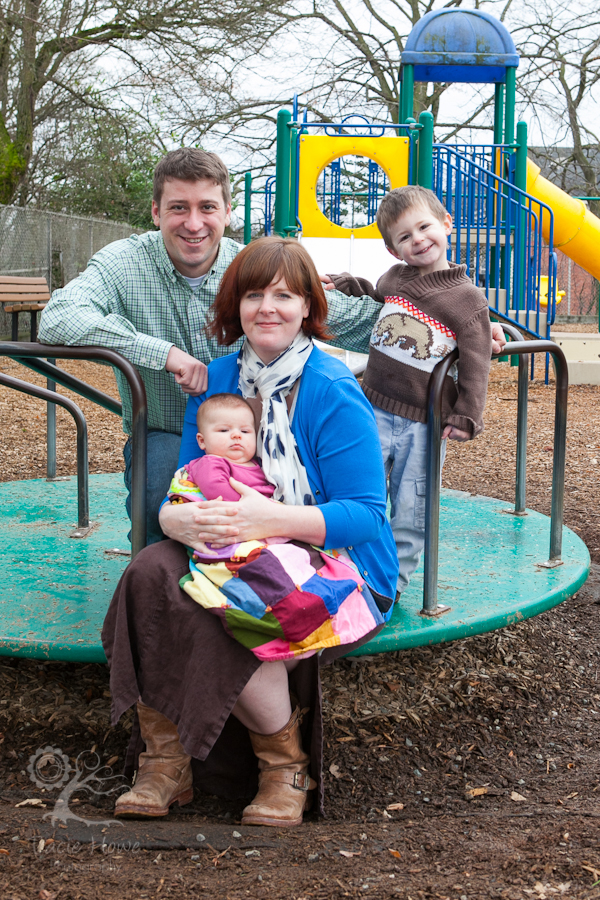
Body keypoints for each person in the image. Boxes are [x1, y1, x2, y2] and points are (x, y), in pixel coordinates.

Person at [102, 237, 399, 828]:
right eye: (254, 294)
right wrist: (172, 518)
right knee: (146, 572)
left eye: (285, 295)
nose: (268, 308)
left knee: (226, 609)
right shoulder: (219, 378)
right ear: (234, 305)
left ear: (309, 306)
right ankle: (166, 765)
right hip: (234, 544)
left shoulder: (332, 388)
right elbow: (191, 478)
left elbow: (367, 515)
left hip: (336, 563)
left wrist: (270, 521)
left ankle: (283, 766)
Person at [37, 149, 382, 544]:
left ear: (228, 211)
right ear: (156, 212)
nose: (194, 223)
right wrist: (161, 353)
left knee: (312, 485)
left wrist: (433, 313)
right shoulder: (124, 263)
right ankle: (168, 578)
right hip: (168, 431)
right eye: (178, 208)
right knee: (164, 499)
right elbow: (59, 316)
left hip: (267, 428)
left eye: (207, 207)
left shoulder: (251, 269)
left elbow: (349, 318)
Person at [322, 186, 492, 599]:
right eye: (404, 237)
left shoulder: (467, 300)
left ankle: (389, 584)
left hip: (424, 420)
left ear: (446, 224)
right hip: (375, 406)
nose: (417, 239)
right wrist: (349, 284)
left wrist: (467, 413)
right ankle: (349, 565)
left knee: (412, 505)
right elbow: (378, 300)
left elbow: (476, 361)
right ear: (394, 250)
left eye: (424, 227)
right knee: (360, 486)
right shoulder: (394, 278)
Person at [168, 393, 275, 504]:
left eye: (245, 431)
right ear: (202, 441)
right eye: (224, 430)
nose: (237, 435)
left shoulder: (259, 464)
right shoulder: (210, 463)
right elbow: (215, 489)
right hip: (236, 511)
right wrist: (256, 506)